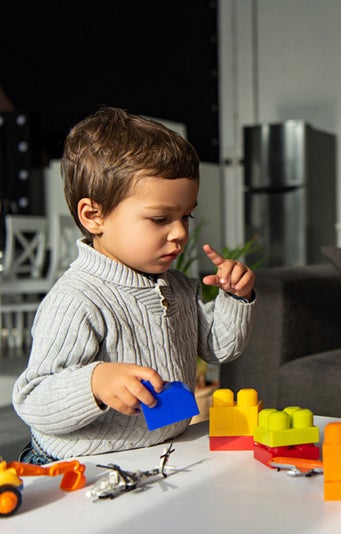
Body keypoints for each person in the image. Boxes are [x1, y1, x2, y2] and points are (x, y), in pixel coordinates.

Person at [13, 107, 256, 464]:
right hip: (79, 468)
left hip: (159, 454)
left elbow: (220, 349)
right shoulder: (76, 299)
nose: (179, 233)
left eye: (185, 216)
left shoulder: (178, 287)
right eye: (160, 219)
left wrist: (236, 297)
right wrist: (93, 383)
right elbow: (33, 399)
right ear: (94, 216)